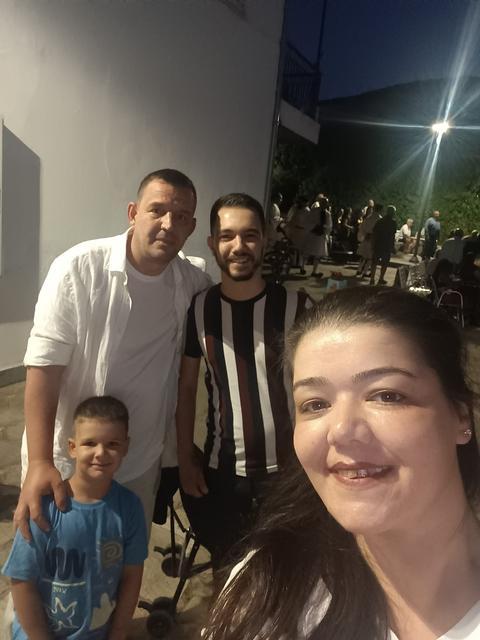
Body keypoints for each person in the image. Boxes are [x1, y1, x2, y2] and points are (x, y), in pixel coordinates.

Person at [203, 286, 480, 640]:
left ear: (460, 415)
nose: (341, 431)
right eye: (315, 404)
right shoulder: (266, 592)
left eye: (387, 395)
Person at [15, 168, 211, 539]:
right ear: (133, 213)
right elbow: (44, 367)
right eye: (157, 210)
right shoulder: (79, 269)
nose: (168, 224)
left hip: (140, 462)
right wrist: (39, 461)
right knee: (57, 561)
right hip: (71, 460)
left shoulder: (191, 282)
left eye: (181, 216)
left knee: (121, 559)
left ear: (192, 227)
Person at [176, 192, 311, 570]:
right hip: (222, 474)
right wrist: (185, 457)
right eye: (227, 236)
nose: (239, 246)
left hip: (289, 472)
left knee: (286, 572)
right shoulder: (199, 308)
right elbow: (186, 388)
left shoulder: (298, 307)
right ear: (212, 243)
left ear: (265, 239)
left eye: (250, 235)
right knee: (228, 569)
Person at [3, 396, 148, 639]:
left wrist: (118, 633)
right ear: (72, 447)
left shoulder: (130, 508)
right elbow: (21, 580)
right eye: (90, 443)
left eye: (112, 444)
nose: (100, 453)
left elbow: (132, 576)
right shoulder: (45, 507)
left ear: (125, 447)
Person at [370, 204, 397, 285]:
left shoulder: (380, 221)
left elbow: (374, 233)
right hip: (386, 245)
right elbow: (392, 236)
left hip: (378, 244)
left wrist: (373, 244)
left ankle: (372, 279)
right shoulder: (393, 223)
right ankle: (381, 278)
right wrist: (392, 246)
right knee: (384, 263)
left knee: (374, 262)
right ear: (393, 213)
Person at [356, 202, 383, 277]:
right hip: (373, 239)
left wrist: (364, 235)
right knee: (370, 257)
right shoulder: (380, 219)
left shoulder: (369, 217)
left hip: (367, 238)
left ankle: (359, 269)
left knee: (364, 255)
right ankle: (364, 271)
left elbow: (362, 227)